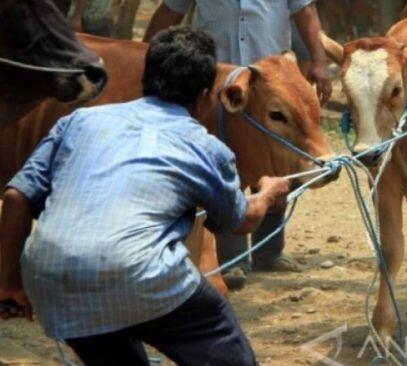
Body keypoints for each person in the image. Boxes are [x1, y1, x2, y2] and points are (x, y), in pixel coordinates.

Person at [0, 27, 290, 366]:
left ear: (145, 79)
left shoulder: (79, 120)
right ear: (204, 95)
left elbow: (17, 196)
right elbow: (240, 221)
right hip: (142, 274)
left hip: (52, 280)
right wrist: (269, 193)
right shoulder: (205, 146)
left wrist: (8, 282)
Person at [144, 0, 332, 289]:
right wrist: (143, 59)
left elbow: (305, 13)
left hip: (272, 84)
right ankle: (232, 259)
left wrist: (319, 61)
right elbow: (169, 12)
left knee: (275, 165)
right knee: (222, 166)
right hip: (218, 87)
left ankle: (269, 251)